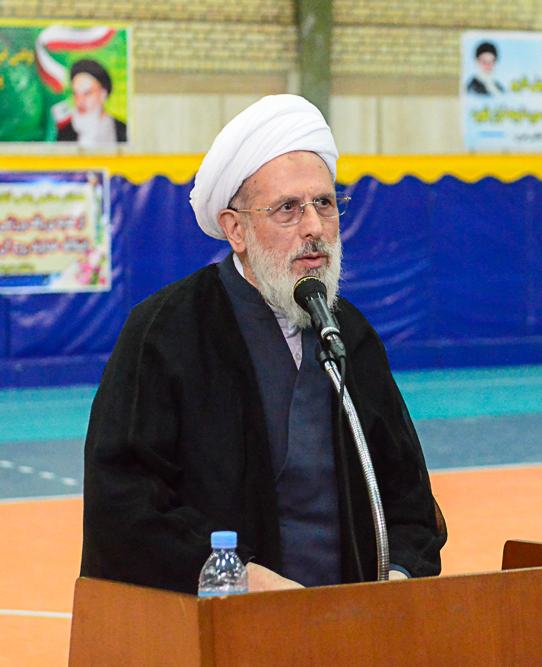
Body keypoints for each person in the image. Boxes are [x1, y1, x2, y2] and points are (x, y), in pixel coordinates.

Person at [80, 94, 446, 594]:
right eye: (288, 209)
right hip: (219, 621)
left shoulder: (350, 335)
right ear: (236, 229)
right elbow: (123, 506)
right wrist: (241, 579)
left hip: (349, 622)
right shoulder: (166, 331)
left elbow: (408, 504)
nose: (314, 227)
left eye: (324, 204)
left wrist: (396, 577)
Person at [56, 59, 127, 145]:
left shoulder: (123, 131)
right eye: (76, 94)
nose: (80, 101)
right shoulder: (63, 133)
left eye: (87, 93)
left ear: (103, 94)